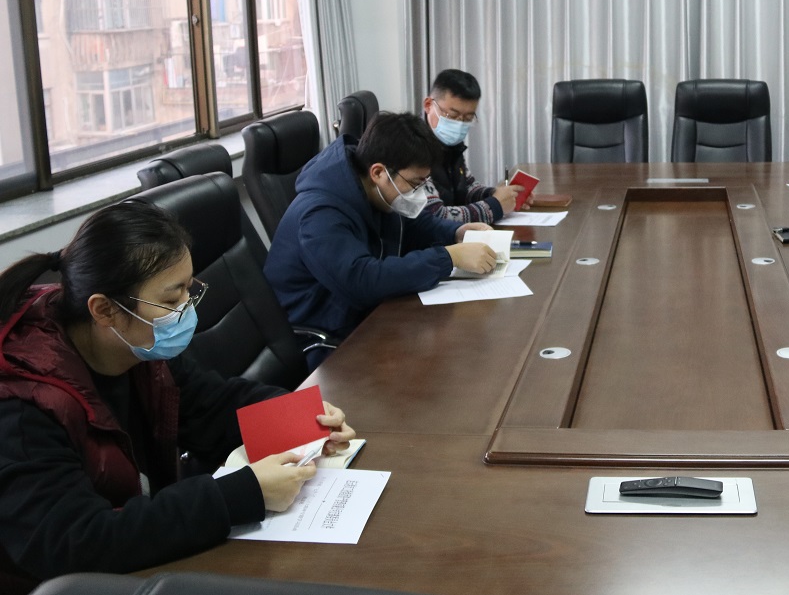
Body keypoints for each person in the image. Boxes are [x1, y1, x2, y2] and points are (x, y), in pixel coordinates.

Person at [0, 202, 356, 591]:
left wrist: (300, 418)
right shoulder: (22, 406)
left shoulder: (135, 347)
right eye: (171, 302)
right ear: (104, 310)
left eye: (189, 290)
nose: (186, 311)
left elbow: (209, 405)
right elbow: (74, 543)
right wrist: (240, 495)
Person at [264, 111, 497, 343]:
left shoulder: (369, 188)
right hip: (328, 340)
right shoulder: (319, 215)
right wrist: (449, 257)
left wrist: (455, 232)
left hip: (368, 317)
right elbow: (362, 280)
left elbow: (408, 224)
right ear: (378, 172)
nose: (419, 193)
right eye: (415, 183)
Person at [421, 69, 525, 223]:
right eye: (453, 116)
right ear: (429, 105)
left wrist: (501, 195)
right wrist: (495, 206)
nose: (459, 124)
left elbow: (467, 187)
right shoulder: (412, 148)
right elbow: (435, 216)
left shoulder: (451, 145)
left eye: (468, 118)